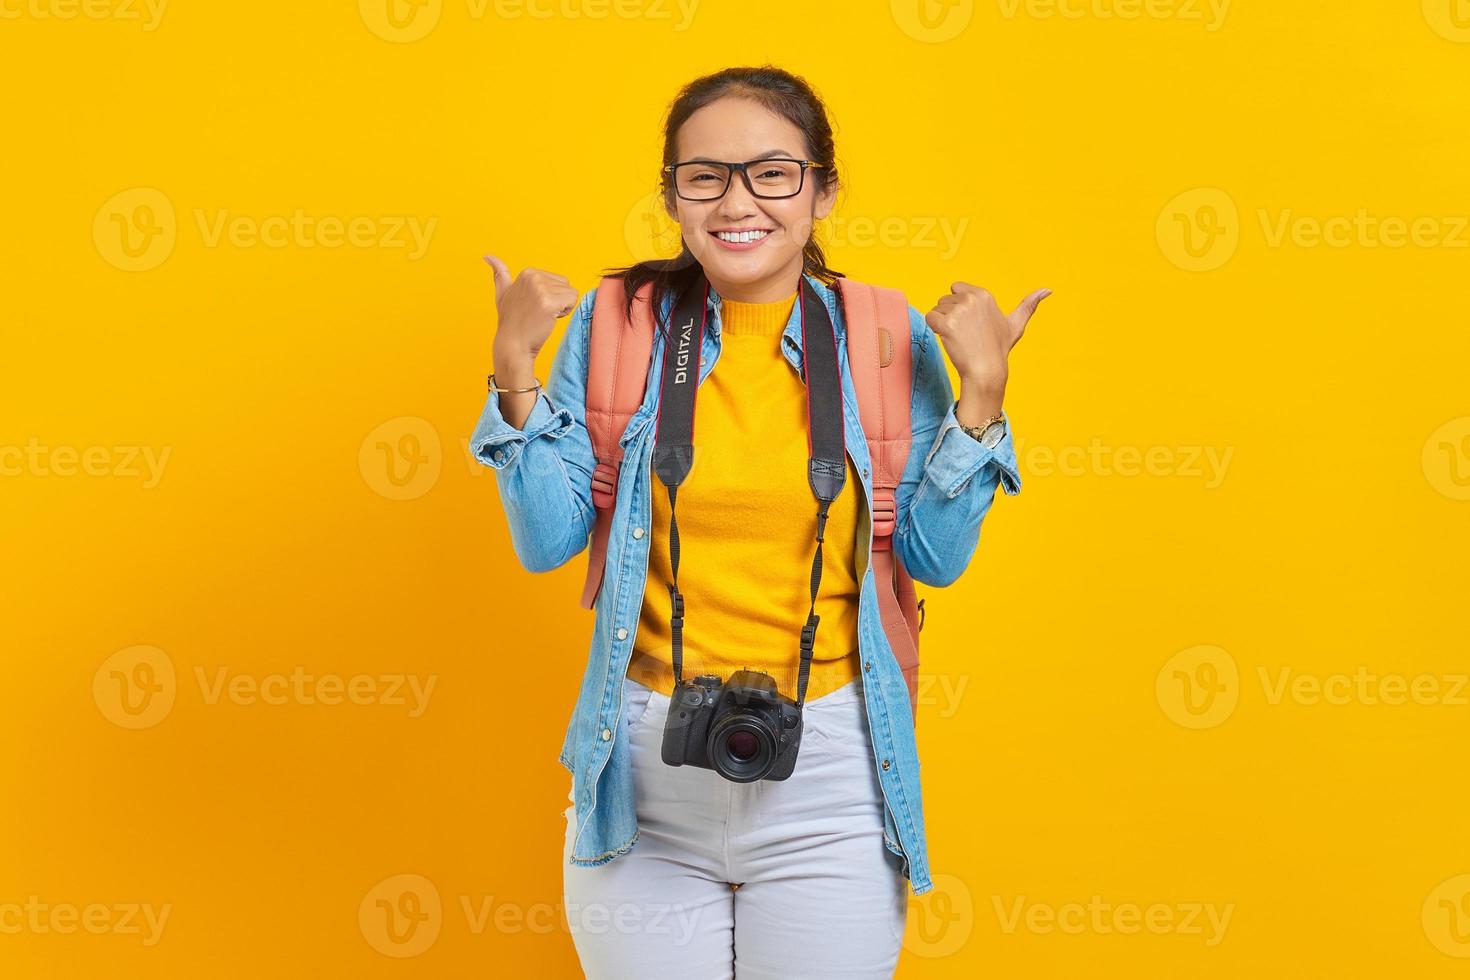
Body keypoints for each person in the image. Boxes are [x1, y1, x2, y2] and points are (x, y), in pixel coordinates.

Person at [472, 64, 1046, 980]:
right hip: (642, 778)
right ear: (673, 196)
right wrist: (513, 369)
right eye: (705, 176)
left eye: (772, 173)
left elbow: (933, 559)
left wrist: (983, 394)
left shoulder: (886, 336)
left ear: (822, 190)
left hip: (829, 775)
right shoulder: (618, 324)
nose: (738, 201)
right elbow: (547, 541)